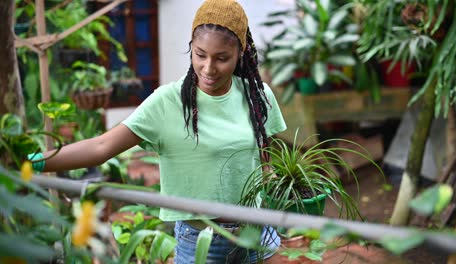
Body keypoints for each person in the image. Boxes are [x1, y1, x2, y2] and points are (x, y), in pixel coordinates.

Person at [29, 0, 287, 263]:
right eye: (200, 55)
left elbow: (264, 155)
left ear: (240, 53)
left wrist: (282, 185)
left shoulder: (257, 95)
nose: (208, 68)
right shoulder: (167, 103)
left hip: (258, 235)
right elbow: (100, 147)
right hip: (203, 242)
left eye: (222, 58)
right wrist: (32, 163)